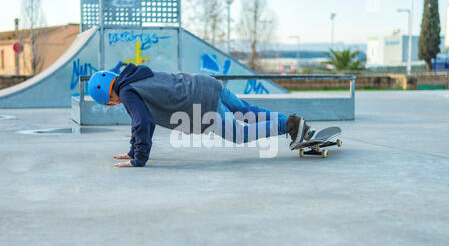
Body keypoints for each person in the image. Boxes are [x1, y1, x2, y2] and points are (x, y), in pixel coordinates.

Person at [88, 63, 315, 167]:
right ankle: (293, 122)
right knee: (246, 112)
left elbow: (142, 123)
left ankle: (291, 127)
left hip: (201, 104)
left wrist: (138, 159)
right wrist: (132, 150)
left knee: (238, 134)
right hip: (206, 84)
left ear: (109, 100)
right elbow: (145, 121)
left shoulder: (126, 93)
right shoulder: (134, 76)